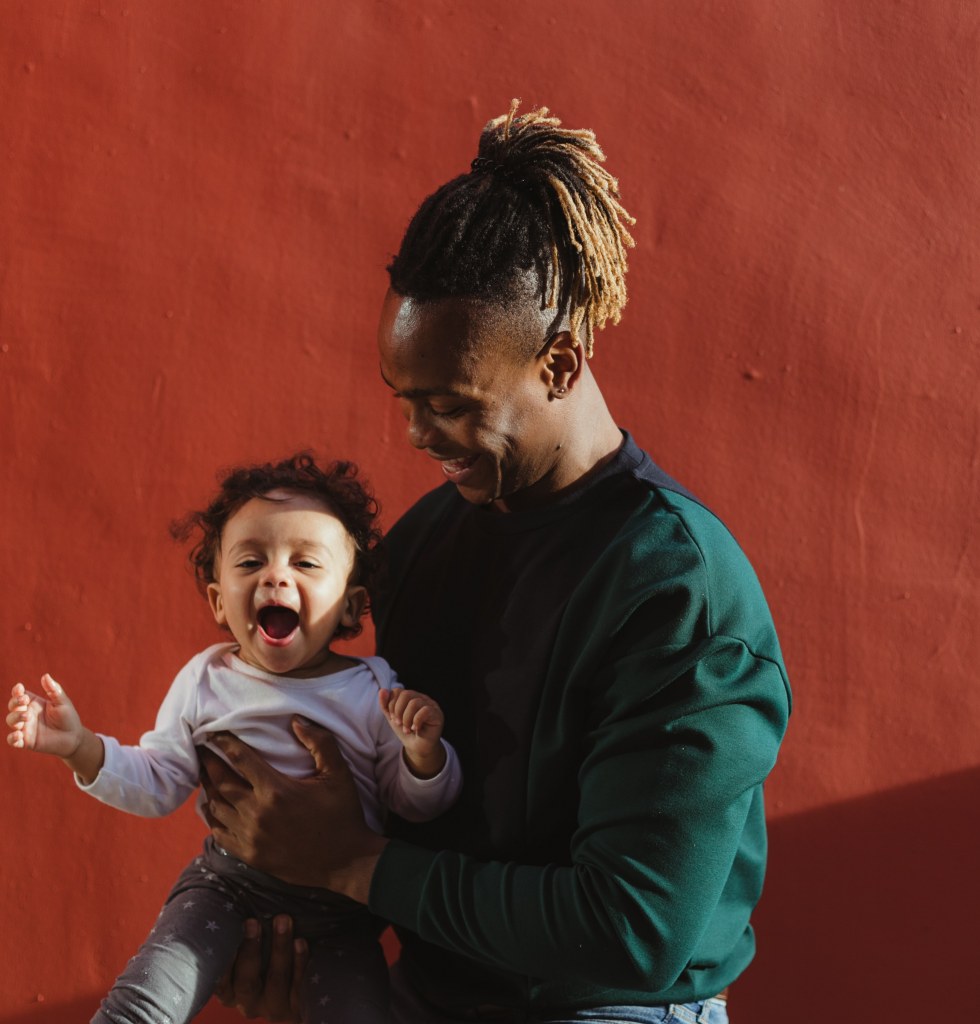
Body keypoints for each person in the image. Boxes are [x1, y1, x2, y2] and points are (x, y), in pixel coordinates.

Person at [198, 101, 793, 1024]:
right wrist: (280, 916)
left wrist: (349, 866)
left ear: (558, 364)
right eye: (401, 398)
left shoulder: (677, 590)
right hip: (431, 991)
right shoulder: (427, 542)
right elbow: (390, 801)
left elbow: (634, 929)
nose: (415, 434)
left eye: (449, 403)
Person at [5, 454, 463, 1024]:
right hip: (225, 887)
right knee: (144, 1004)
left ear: (350, 604)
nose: (275, 576)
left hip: (344, 912)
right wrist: (80, 746)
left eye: (305, 562)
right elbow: (160, 781)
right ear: (220, 600)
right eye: (251, 561)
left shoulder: (371, 688)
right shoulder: (206, 679)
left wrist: (424, 757)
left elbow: (412, 804)